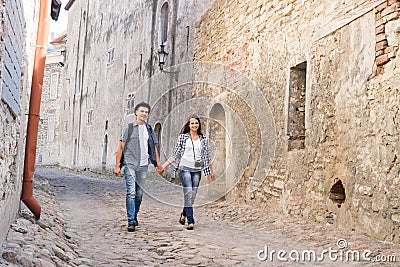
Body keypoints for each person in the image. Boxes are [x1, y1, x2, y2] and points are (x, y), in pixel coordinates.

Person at [114, 102, 163, 232]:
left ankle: (134, 215)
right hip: (130, 164)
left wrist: (158, 164)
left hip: (143, 165)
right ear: (136, 112)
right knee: (131, 192)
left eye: (146, 112)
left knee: (139, 194)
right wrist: (117, 165)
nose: (144, 114)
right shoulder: (129, 128)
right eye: (142, 111)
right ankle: (130, 220)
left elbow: (154, 147)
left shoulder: (149, 129)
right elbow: (120, 147)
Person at [161, 115, 215, 230]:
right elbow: (175, 154)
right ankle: (191, 221)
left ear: (199, 125)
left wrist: (211, 171)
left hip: (197, 169)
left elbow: (207, 156)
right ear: (188, 125)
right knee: (188, 193)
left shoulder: (203, 139)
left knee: (193, 194)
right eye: (192, 123)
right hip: (184, 168)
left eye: (196, 123)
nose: (194, 125)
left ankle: (184, 214)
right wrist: (163, 166)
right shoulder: (183, 137)